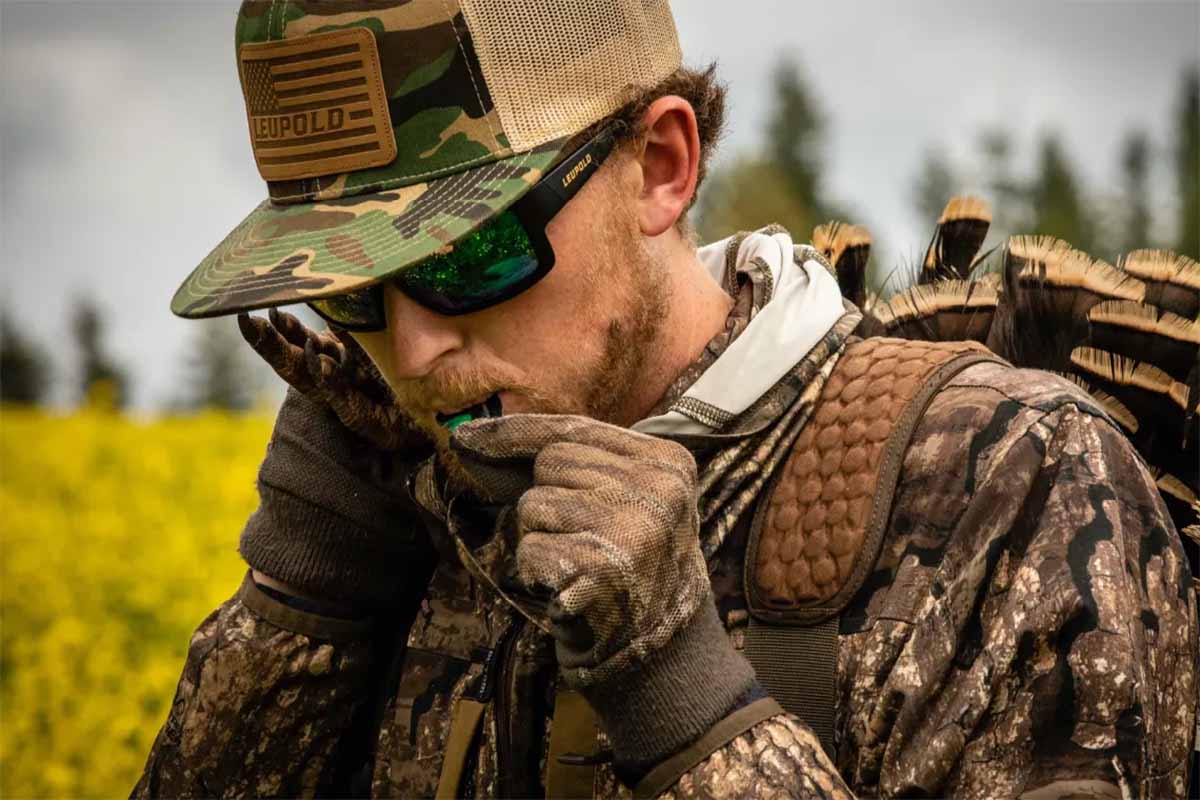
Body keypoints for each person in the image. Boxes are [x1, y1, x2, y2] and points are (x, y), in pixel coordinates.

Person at [137, 1, 1197, 797]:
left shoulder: (1013, 481)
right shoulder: (396, 499)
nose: (408, 347)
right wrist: (301, 609)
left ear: (662, 164)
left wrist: (686, 701)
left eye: (471, 255)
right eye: (350, 288)